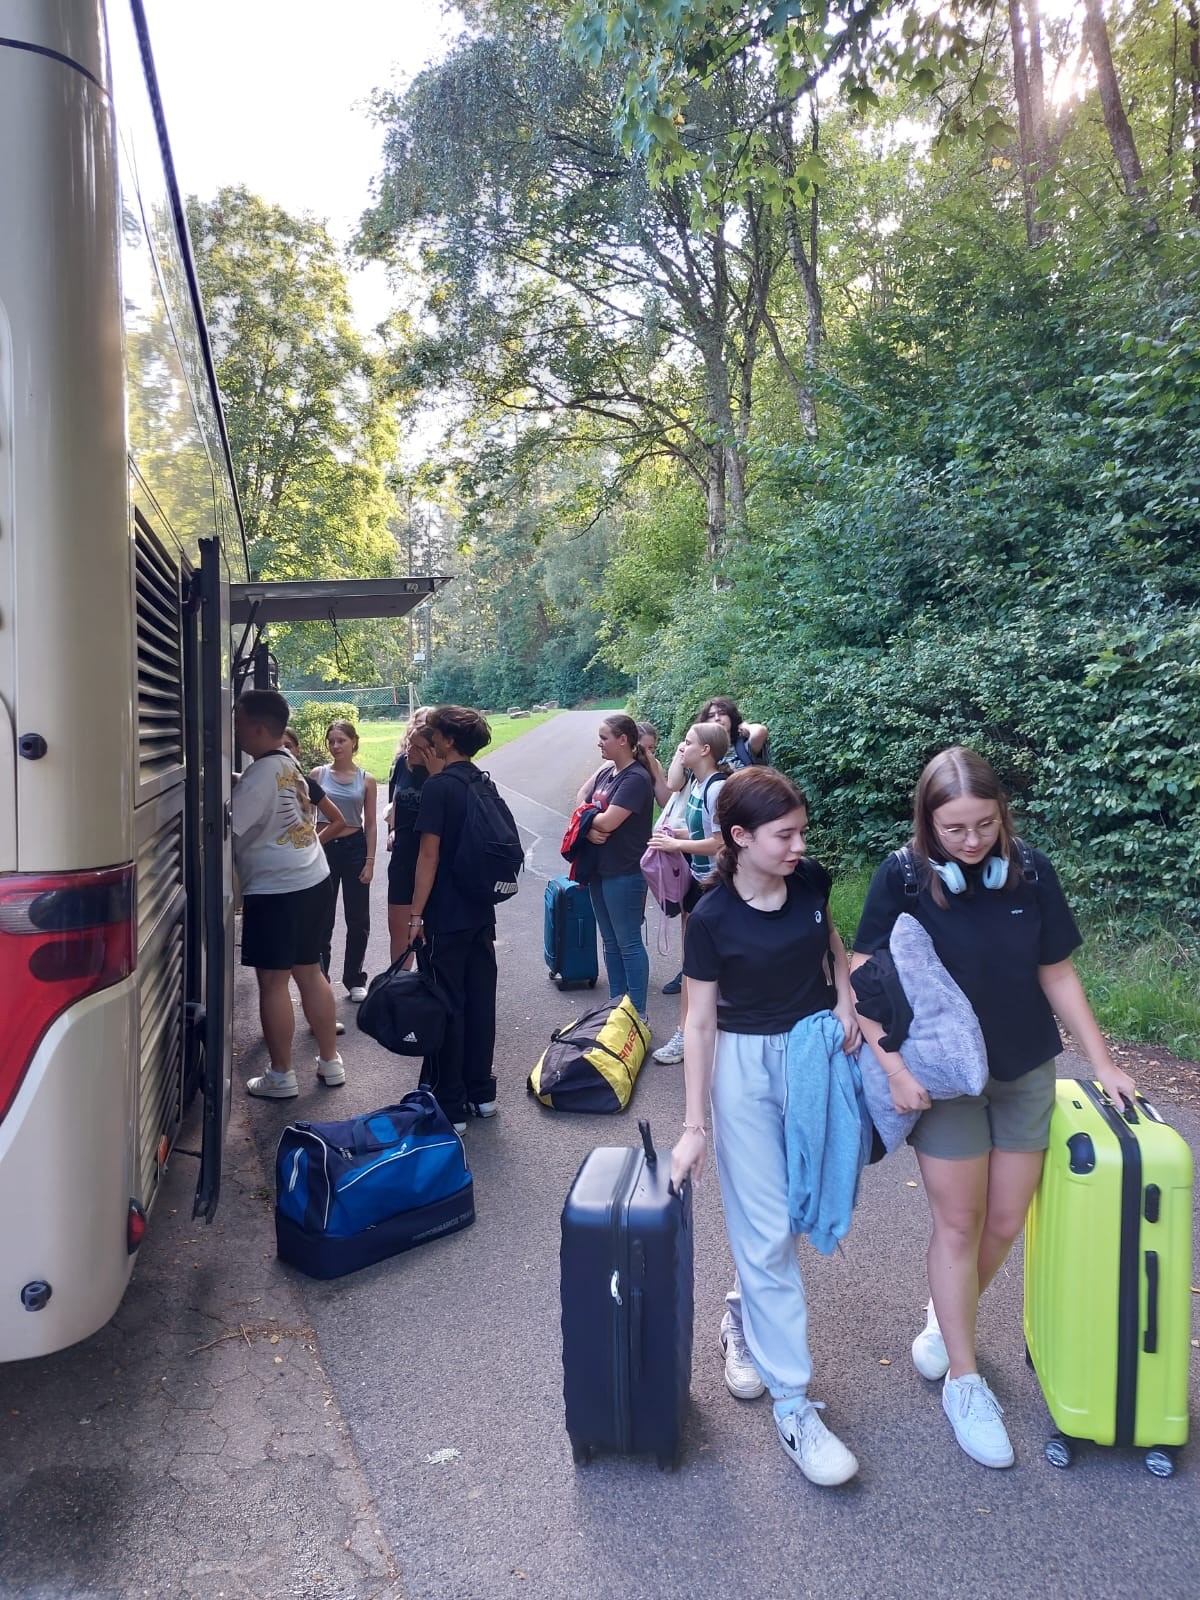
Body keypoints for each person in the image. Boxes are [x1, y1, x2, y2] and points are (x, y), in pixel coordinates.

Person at [850, 746, 1136, 1471]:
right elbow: (865, 974)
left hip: (1024, 1068)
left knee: (1005, 1221)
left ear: (1002, 815)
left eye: (984, 825)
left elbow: (1056, 971)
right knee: (959, 1221)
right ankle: (965, 1380)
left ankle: (943, 1318)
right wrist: (892, 1067)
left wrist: (1103, 1061)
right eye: (954, 830)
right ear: (928, 824)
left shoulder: (1031, 872)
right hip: (945, 1082)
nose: (972, 841)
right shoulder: (902, 876)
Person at [670, 767, 863, 1486]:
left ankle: (741, 1313)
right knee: (766, 1228)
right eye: (785, 835)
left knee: (799, 1209)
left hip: (814, 1056)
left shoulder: (809, 880)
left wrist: (845, 997)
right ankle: (794, 1405)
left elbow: (830, 940)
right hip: (743, 1067)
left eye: (801, 831)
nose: (799, 845)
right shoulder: (712, 917)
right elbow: (698, 1022)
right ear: (740, 837)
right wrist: (695, 1124)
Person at [231, 690, 344, 1097]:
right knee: (309, 972)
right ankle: (330, 1061)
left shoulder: (260, 774)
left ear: (258, 729)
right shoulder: (288, 763)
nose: (235, 730)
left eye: (239, 722)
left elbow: (229, 829)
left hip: (276, 888)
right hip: (312, 877)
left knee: (273, 981)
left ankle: (281, 1075)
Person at [408, 705, 502, 1134]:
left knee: (447, 1005)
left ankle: (449, 1102)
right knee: (480, 1001)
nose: (429, 737)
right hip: (480, 911)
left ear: (447, 741)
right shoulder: (482, 780)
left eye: (434, 732)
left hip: (444, 914)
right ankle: (481, 1093)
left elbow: (428, 856)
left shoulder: (439, 787)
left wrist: (415, 915)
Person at [644, 721, 730, 1064]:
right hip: (698, 882)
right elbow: (699, 830)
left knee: (704, 964)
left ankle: (697, 1036)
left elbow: (721, 844)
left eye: (688, 741)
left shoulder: (718, 789)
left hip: (717, 886)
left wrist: (675, 844)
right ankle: (690, 1033)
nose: (683, 746)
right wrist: (674, 833)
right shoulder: (697, 784)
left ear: (705, 750)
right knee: (693, 963)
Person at [574, 714, 655, 1023]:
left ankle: (637, 1013)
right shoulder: (608, 772)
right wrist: (587, 828)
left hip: (625, 871)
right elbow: (582, 801)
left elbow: (608, 822)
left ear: (623, 740)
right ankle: (615, 1007)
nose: (599, 743)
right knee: (609, 941)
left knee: (628, 942)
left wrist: (585, 822)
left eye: (604, 737)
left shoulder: (635, 779)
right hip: (599, 868)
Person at [282, 726, 349, 1035]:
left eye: (288, 746)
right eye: (279, 746)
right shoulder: (262, 783)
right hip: (275, 879)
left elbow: (338, 821)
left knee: (309, 956)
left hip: (305, 876)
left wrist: (313, 844)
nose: (283, 752)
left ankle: (321, 1022)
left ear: (297, 750)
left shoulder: (305, 784)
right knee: (278, 970)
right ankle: (291, 1023)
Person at [311, 720, 378, 1003]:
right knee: (322, 918)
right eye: (331, 741)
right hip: (324, 847)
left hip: (354, 848)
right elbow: (305, 814)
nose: (335, 746)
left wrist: (370, 861)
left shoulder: (366, 779)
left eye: (341, 741)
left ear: (354, 742)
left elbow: (371, 824)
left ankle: (354, 979)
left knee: (358, 919)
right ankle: (320, 979)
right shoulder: (318, 774)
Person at [385, 709, 442, 964]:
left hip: (432, 862)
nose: (409, 749)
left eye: (417, 747)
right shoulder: (402, 764)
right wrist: (392, 830)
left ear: (432, 749)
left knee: (431, 933)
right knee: (399, 932)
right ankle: (399, 983)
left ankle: (430, 982)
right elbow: (395, 801)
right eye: (409, 743)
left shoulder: (442, 775)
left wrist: (436, 775)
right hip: (402, 858)